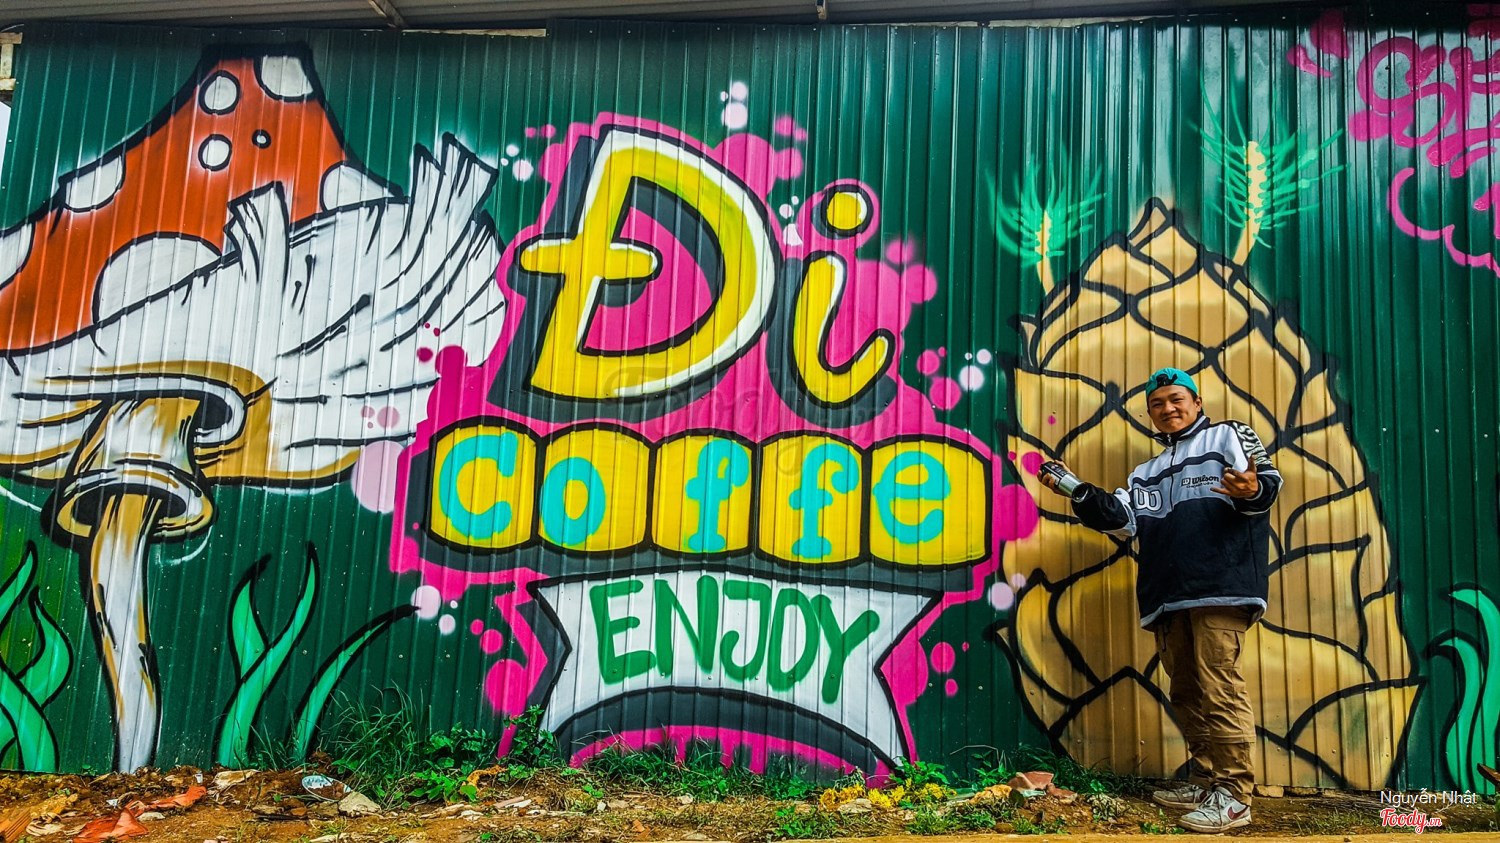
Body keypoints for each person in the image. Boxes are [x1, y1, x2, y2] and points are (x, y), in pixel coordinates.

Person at [1039, 367, 1281, 834]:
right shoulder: (1144, 473)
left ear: (1196, 401)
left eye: (1176, 399)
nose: (1167, 408)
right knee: (1187, 692)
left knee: (1219, 687)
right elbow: (1121, 521)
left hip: (1219, 587)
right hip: (1168, 597)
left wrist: (1251, 490)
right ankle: (1206, 781)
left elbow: (1265, 483)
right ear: (1150, 413)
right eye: (1157, 403)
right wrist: (1073, 487)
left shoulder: (1228, 435)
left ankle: (1234, 796)